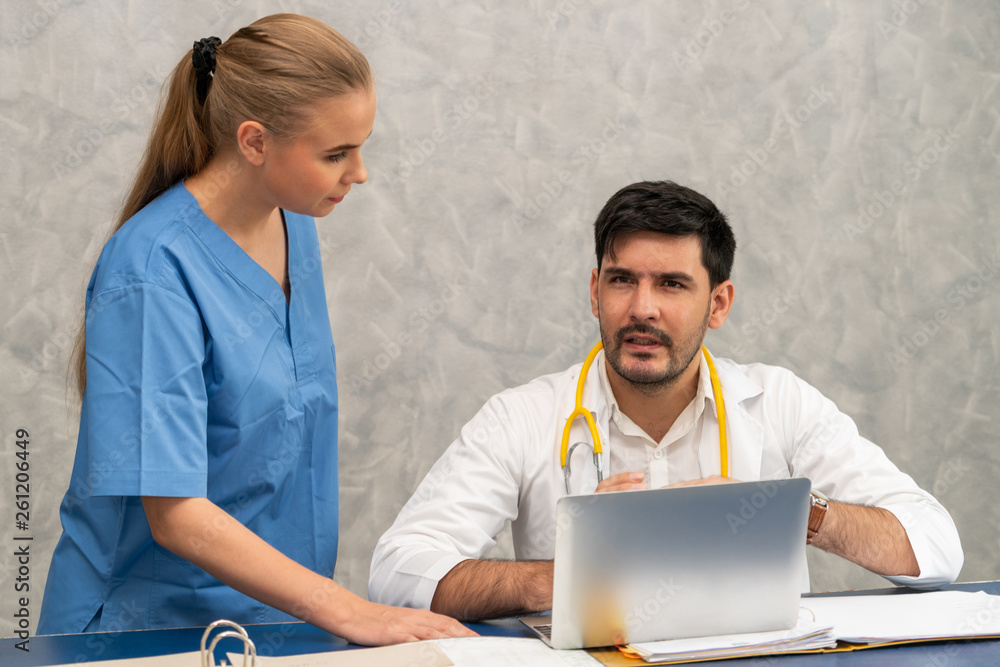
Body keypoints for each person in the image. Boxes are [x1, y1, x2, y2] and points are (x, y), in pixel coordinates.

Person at [38, 14, 473, 644]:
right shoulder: (152, 272)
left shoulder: (294, 225)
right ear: (253, 141)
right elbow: (176, 515)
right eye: (335, 154)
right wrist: (351, 611)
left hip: (273, 624)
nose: (360, 172)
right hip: (146, 634)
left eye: (361, 145)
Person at [369, 180, 964, 621]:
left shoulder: (780, 403)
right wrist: (570, 579)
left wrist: (795, 511)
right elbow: (396, 572)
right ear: (594, 290)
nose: (642, 309)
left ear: (719, 304)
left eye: (672, 284)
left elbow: (937, 548)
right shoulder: (522, 416)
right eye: (622, 279)